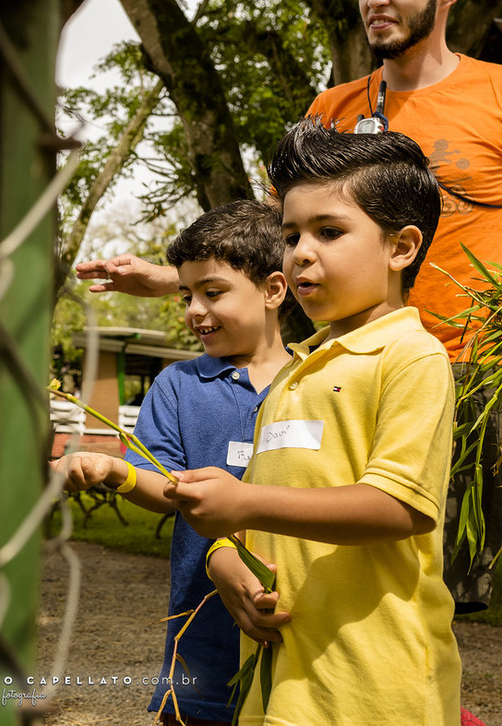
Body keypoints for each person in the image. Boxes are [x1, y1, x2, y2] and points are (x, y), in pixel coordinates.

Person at [77, 0, 502, 614]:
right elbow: (270, 237)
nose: (375, 0)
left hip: (468, 368)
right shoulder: (332, 110)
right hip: (341, 365)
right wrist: (169, 278)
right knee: (313, 560)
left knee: (436, 585)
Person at [165, 118, 459, 724]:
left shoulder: (412, 356)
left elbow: (398, 507)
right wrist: (224, 557)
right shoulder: (294, 373)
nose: (300, 252)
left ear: (400, 247)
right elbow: (275, 505)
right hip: (280, 688)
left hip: (374, 689)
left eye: (329, 231)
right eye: (292, 233)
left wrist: (245, 504)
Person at [51, 199, 291, 726]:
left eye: (213, 292)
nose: (194, 311)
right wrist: (119, 472)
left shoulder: (319, 381)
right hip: (203, 635)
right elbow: (165, 488)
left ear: (274, 289)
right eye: (187, 295)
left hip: (299, 635)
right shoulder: (177, 386)